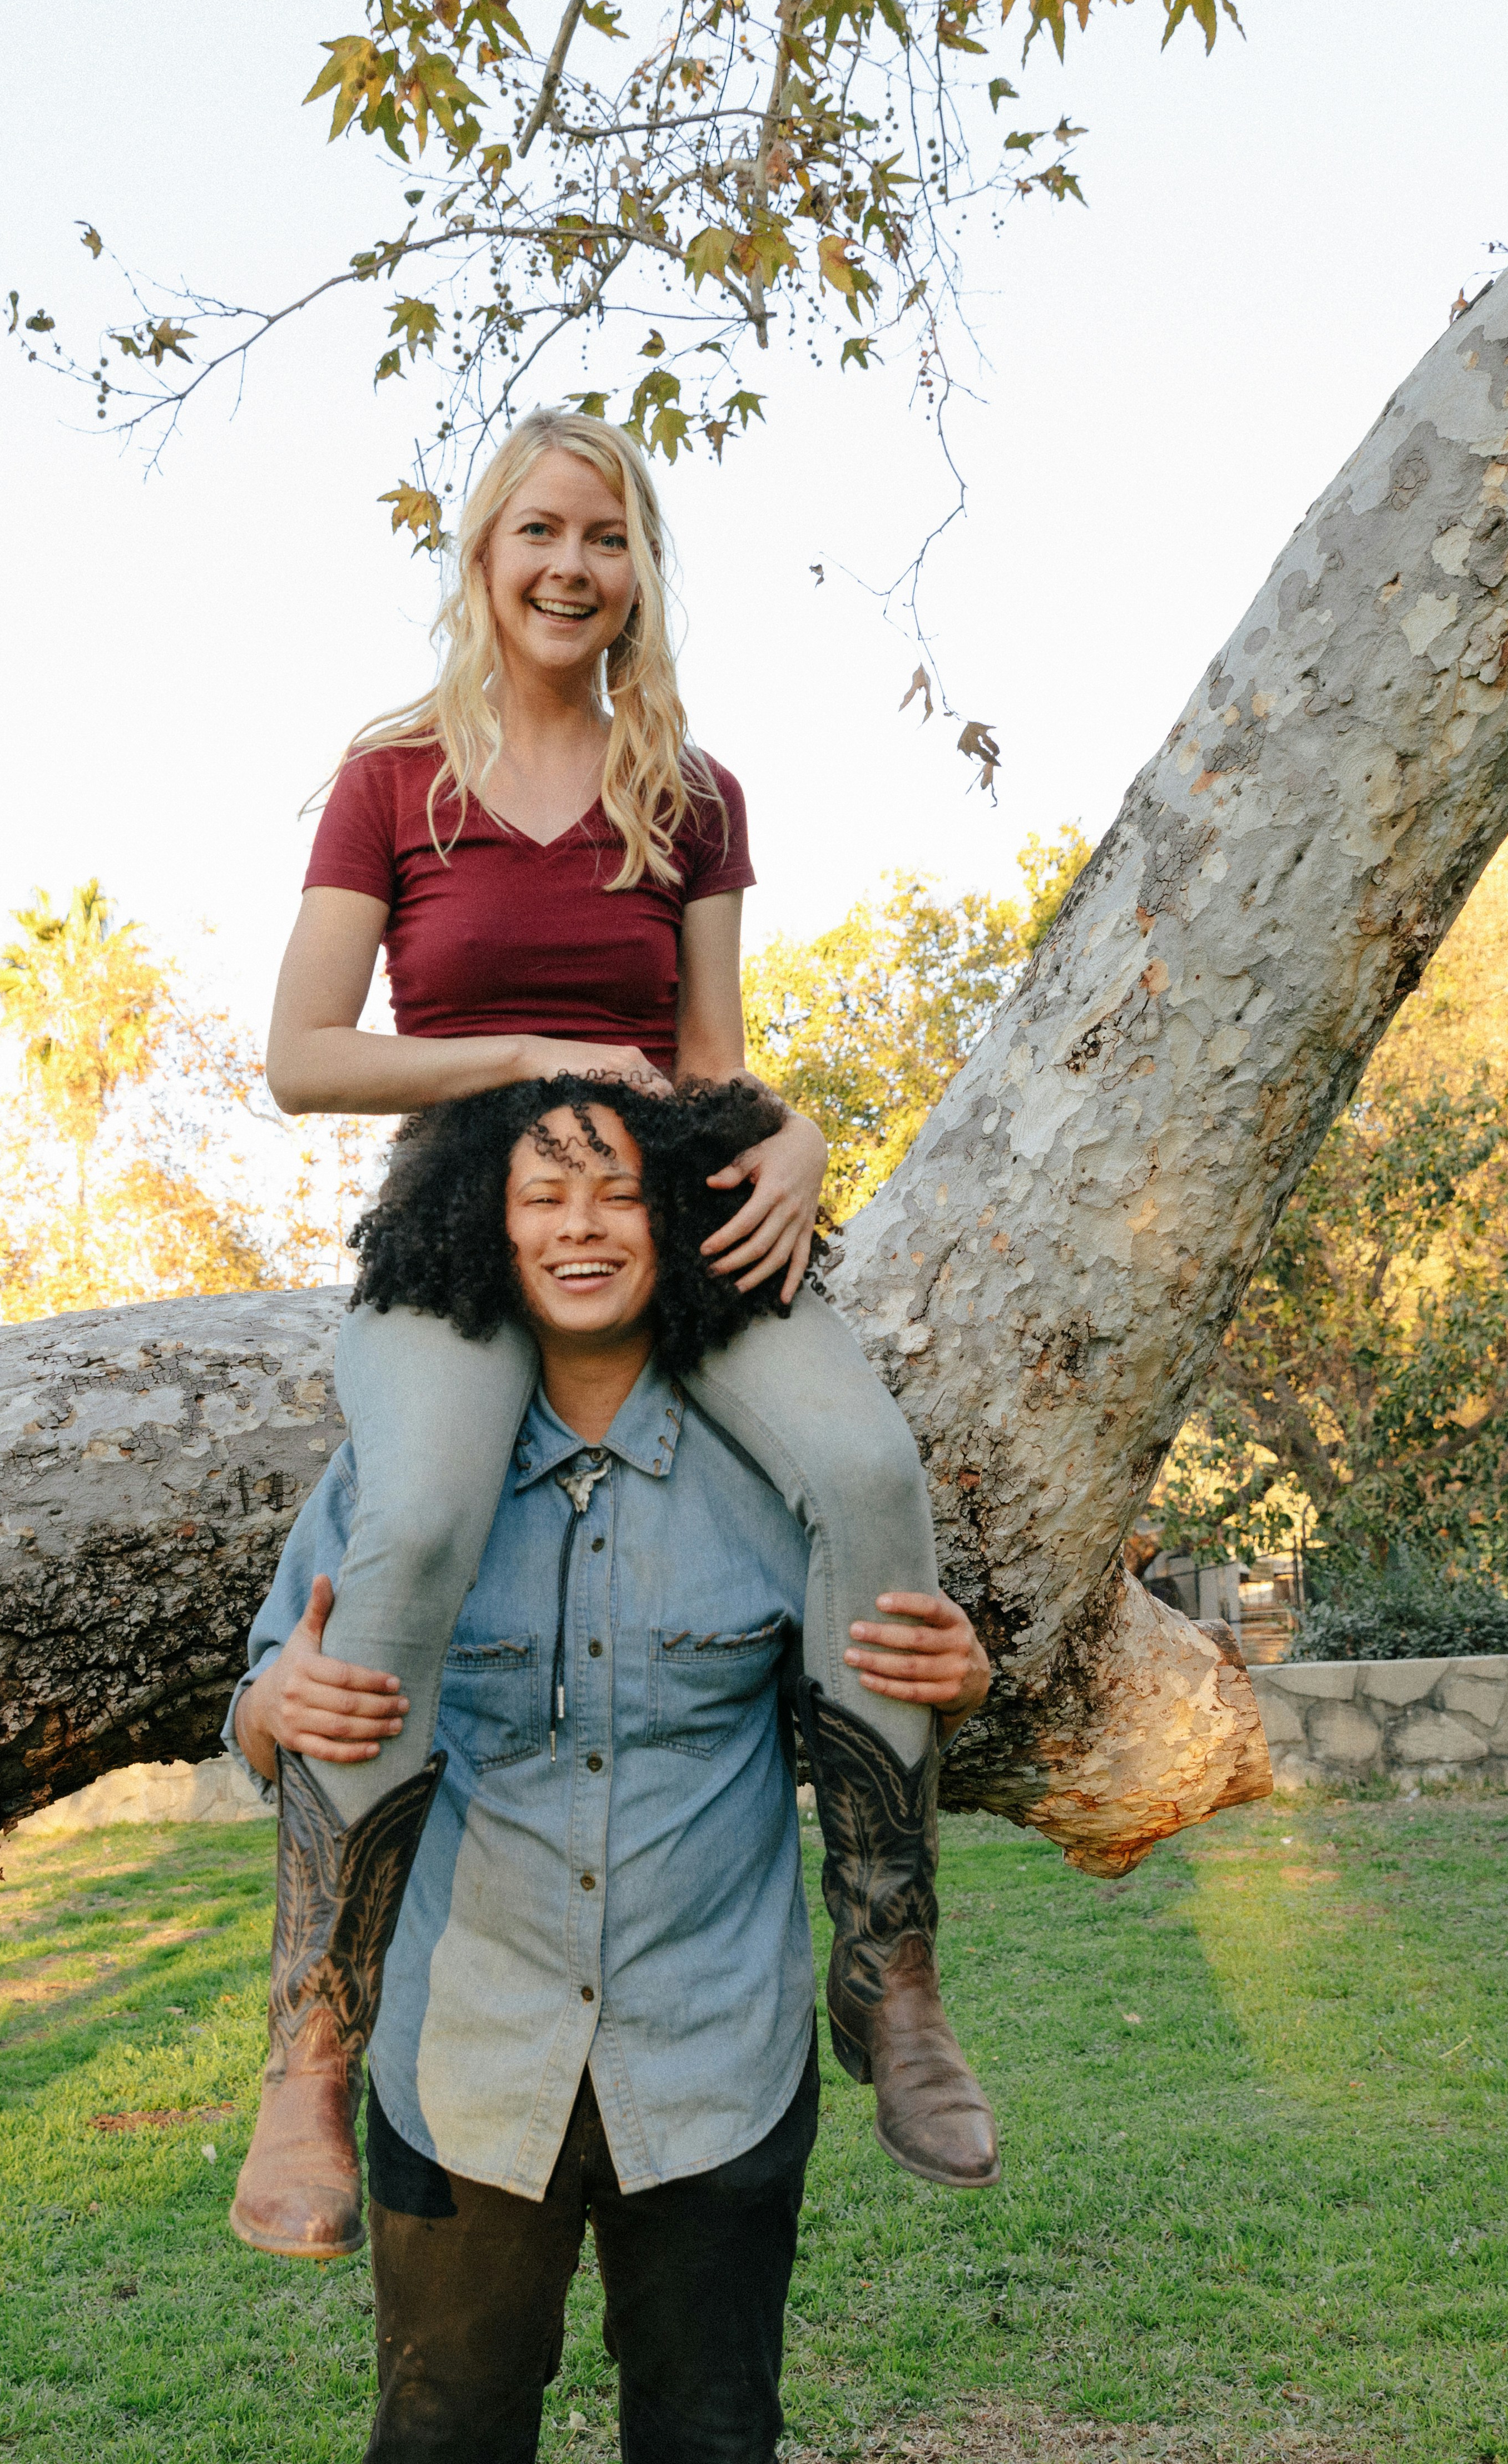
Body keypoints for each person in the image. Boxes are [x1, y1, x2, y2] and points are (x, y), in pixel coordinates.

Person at [240, 409, 996, 2259]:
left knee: (866, 1467)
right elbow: (302, 1055)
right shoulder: (394, 776)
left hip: (664, 1192)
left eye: (608, 536)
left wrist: (802, 1136)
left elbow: (717, 1061)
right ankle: (311, 2052)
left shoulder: (696, 789)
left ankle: (890, 1971)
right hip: (466, 1206)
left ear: (638, 567)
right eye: (539, 533)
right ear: (486, 557)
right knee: (412, 1519)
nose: (573, 566)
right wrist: (519, 1058)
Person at [226, 1082, 995, 2462]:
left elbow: (861, 1689)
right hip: (462, 2061)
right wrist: (272, 1697)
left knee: (711, 2433)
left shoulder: (779, 1474)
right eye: (542, 1197)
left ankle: (898, 1983)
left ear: (680, 1220)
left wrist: (963, 1681)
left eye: (619, 1193)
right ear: (487, 1228)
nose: (582, 1227)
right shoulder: (395, 1481)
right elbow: (267, 1707)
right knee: (444, 2433)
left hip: (712, 2052)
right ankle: (311, 2047)